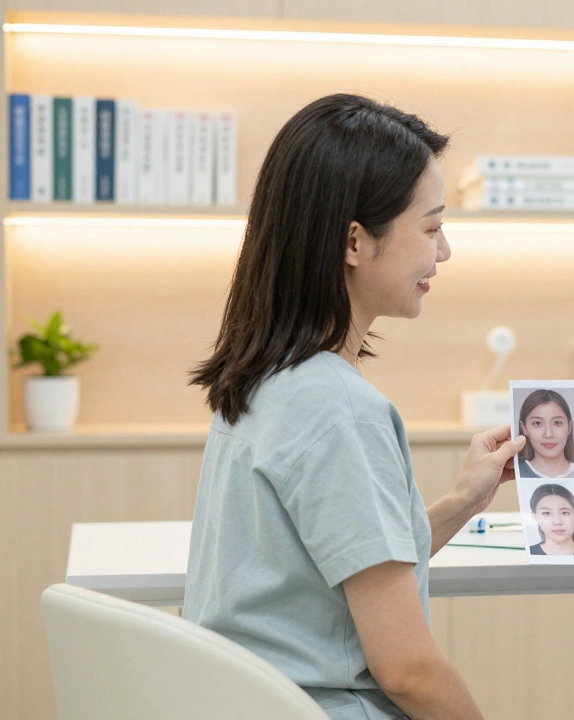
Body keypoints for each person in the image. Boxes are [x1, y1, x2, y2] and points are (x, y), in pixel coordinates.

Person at [185, 94, 525, 720]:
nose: (443, 252)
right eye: (431, 227)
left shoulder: (265, 381)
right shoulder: (339, 411)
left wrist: (462, 501)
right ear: (353, 241)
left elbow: (337, 570)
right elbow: (410, 671)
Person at [517, 389, 574, 479]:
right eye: (537, 423)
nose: (548, 434)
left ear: (569, 427)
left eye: (557, 423)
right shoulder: (513, 475)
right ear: (524, 428)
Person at [528, 483, 574, 556]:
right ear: (534, 516)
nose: (557, 522)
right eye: (547, 513)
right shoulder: (527, 554)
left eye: (565, 513)